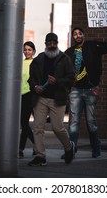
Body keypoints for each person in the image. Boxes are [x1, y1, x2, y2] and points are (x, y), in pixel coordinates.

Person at [65, 25, 107, 158]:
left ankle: (96, 147)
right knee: (74, 122)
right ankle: (71, 150)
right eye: (75, 34)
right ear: (73, 37)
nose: (77, 36)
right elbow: (63, 70)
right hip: (75, 90)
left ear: (84, 35)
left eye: (79, 33)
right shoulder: (69, 52)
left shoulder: (92, 46)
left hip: (90, 89)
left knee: (91, 122)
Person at [28, 32, 75, 166]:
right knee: (38, 128)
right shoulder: (39, 59)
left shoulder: (64, 59)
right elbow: (31, 78)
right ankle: (40, 155)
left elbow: (71, 78)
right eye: (49, 43)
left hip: (57, 99)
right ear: (45, 44)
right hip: (41, 98)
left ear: (57, 43)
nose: (52, 45)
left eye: (54, 43)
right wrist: (35, 86)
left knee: (57, 127)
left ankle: (68, 147)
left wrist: (57, 81)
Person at [18, 41, 36, 158]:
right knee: (24, 123)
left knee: (25, 123)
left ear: (33, 51)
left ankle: (21, 149)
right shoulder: (20, 63)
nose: (27, 52)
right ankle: (36, 145)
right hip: (20, 95)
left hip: (31, 94)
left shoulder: (36, 63)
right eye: (25, 49)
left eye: (29, 49)